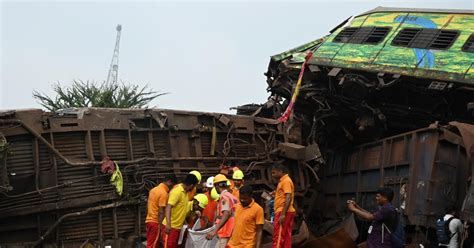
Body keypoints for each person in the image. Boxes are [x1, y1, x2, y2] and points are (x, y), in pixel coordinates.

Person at [162, 174, 199, 248]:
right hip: (171, 227)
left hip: (177, 228)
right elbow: (168, 207)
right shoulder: (178, 191)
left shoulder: (185, 193)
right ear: (191, 185)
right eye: (194, 186)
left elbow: (181, 211)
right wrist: (168, 224)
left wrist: (185, 224)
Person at [206, 174, 238, 248]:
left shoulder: (224, 197)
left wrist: (214, 231)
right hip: (232, 230)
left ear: (217, 185)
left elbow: (226, 213)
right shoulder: (231, 196)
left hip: (226, 231)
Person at [145, 174, 177, 248]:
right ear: (169, 182)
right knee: (153, 245)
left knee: (151, 243)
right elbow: (161, 211)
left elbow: (148, 206)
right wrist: (160, 225)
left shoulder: (153, 190)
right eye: (172, 185)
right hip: (156, 222)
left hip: (149, 221)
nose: (172, 187)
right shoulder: (163, 193)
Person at [271, 164, 296, 248]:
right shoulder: (284, 181)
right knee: (286, 237)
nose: (272, 175)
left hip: (282, 211)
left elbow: (288, 197)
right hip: (288, 211)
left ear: (280, 172)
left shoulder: (286, 181)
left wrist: (283, 214)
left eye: (274, 173)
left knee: (278, 236)